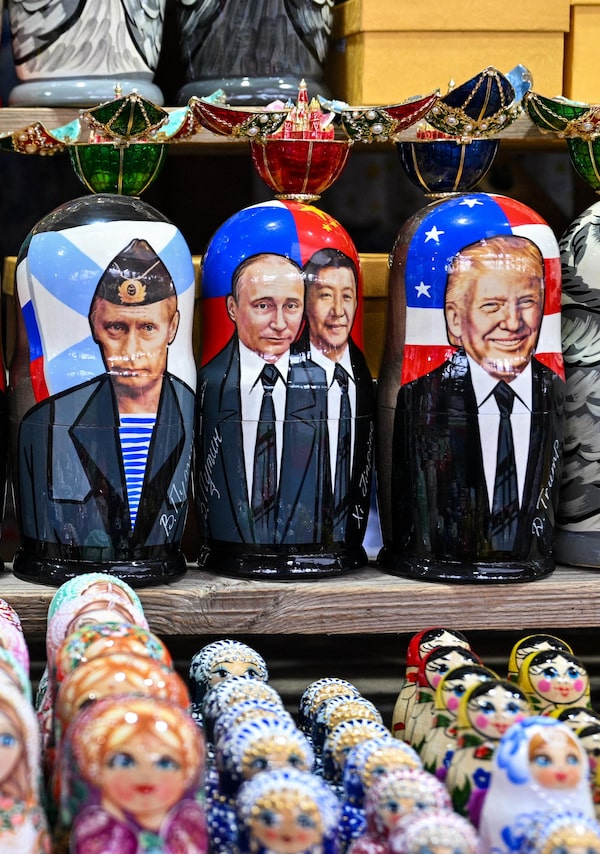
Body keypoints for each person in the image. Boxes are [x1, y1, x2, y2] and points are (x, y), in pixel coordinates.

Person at [16, 237, 195, 566]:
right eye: (116, 327)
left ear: (172, 328)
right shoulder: (44, 424)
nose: (131, 350)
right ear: (95, 327)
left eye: (147, 327)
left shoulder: (193, 408)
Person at [390, 234, 565, 569]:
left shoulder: (552, 389)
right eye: (492, 306)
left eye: (527, 302)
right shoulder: (422, 395)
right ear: (455, 320)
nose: (513, 323)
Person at [196, 251, 329, 550]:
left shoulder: (324, 386)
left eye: (291, 306)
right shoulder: (209, 383)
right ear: (232, 307)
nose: (279, 323)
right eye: (263, 305)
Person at [298, 248, 375, 547]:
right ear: (306, 302)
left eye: (347, 296)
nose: (338, 311)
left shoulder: (362, 373)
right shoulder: (281, 378)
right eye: (326, 296)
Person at [64, 695, 207, 854]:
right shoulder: (96, 832)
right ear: (95, 768)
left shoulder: (188, 828)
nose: (146, 774)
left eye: (165, 763)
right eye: (124, 762)